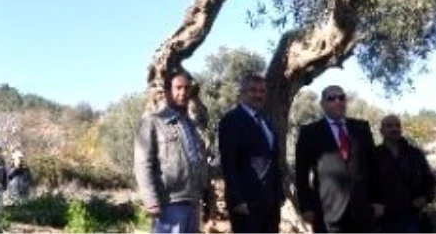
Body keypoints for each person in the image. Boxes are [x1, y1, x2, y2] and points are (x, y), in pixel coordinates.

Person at [294, 85, 383, 234]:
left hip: (362, 210)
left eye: (341, 98)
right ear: (322, 104)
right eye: (331, 98)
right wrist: (306, 207)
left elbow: (373, 166)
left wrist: (378, 200)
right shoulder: (309, 133)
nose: (337, 102)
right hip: (327, 212)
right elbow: (301, 174)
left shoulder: (361, 128)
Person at [134, 71, 213, 234]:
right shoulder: (153, 122)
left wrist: (207, 196)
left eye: (186, 88)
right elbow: (142, 164)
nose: (183, 93)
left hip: (193, 202)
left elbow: (200, 161)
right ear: (168, 92)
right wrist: (151, 201)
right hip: (169, 203)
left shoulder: (191, 125)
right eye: (178, 88)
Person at [217, 74, 283, 234]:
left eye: (262, 91)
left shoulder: (267, 121)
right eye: (252, 91)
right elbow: (228, 163)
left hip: (270, 203)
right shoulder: (231, 120)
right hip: (246, 203)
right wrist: (237, 200)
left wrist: (279, 195)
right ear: (242, 93)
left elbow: (272, 160)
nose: (258, 95)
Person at [374, 115, 435, 234]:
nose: (394, 129)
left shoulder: (415, 154)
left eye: (397, 125)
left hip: (413, 215)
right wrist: (373, 204)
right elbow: (367, 184)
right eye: (389, 126)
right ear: (381, 131)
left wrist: (426, 197)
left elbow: (429, 180)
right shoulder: (374, 155)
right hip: (385, 218)